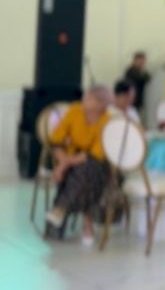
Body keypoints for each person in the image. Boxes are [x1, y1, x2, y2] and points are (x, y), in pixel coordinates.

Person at [45, 85, 114, 247]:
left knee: (86, 169)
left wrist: (63, 166)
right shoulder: (75, 111)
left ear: (101, 104)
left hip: (98, 164)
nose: (84, 99)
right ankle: (86, 222)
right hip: (69, 158)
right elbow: (56, 140)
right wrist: (63, 163)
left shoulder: (107, 120)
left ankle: (60, 210)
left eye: (89, 98)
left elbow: (95, 154)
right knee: (81, 174)